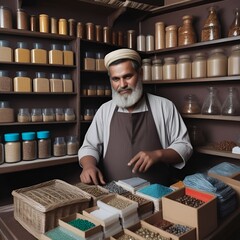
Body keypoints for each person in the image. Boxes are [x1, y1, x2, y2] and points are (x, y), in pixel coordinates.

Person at [78, 48, 193, 186]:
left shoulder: (164, 106)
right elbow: (89, 146)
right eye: (116, 79)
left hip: (156, 195)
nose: (122, 85)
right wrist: (88, 166)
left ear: (140, 73)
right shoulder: (105, 110)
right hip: (113, 195)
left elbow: (184, 146)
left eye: (127, 76)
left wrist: (158, 155)